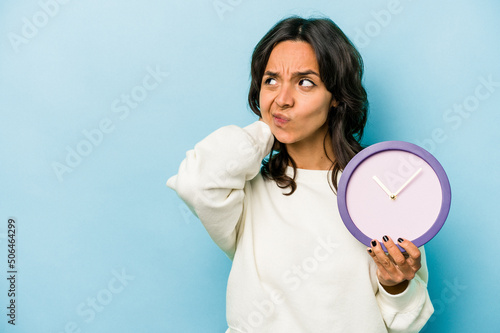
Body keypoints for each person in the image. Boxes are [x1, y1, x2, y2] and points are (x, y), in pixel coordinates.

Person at [167, 16, 434, 333]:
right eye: (271, 81)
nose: (283, 98)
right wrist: (269, 128)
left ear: (336, 96)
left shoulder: (380, 188)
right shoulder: (244, 191)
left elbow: (405, 323)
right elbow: (196, 184)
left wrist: (396, 286)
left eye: (305, 82)